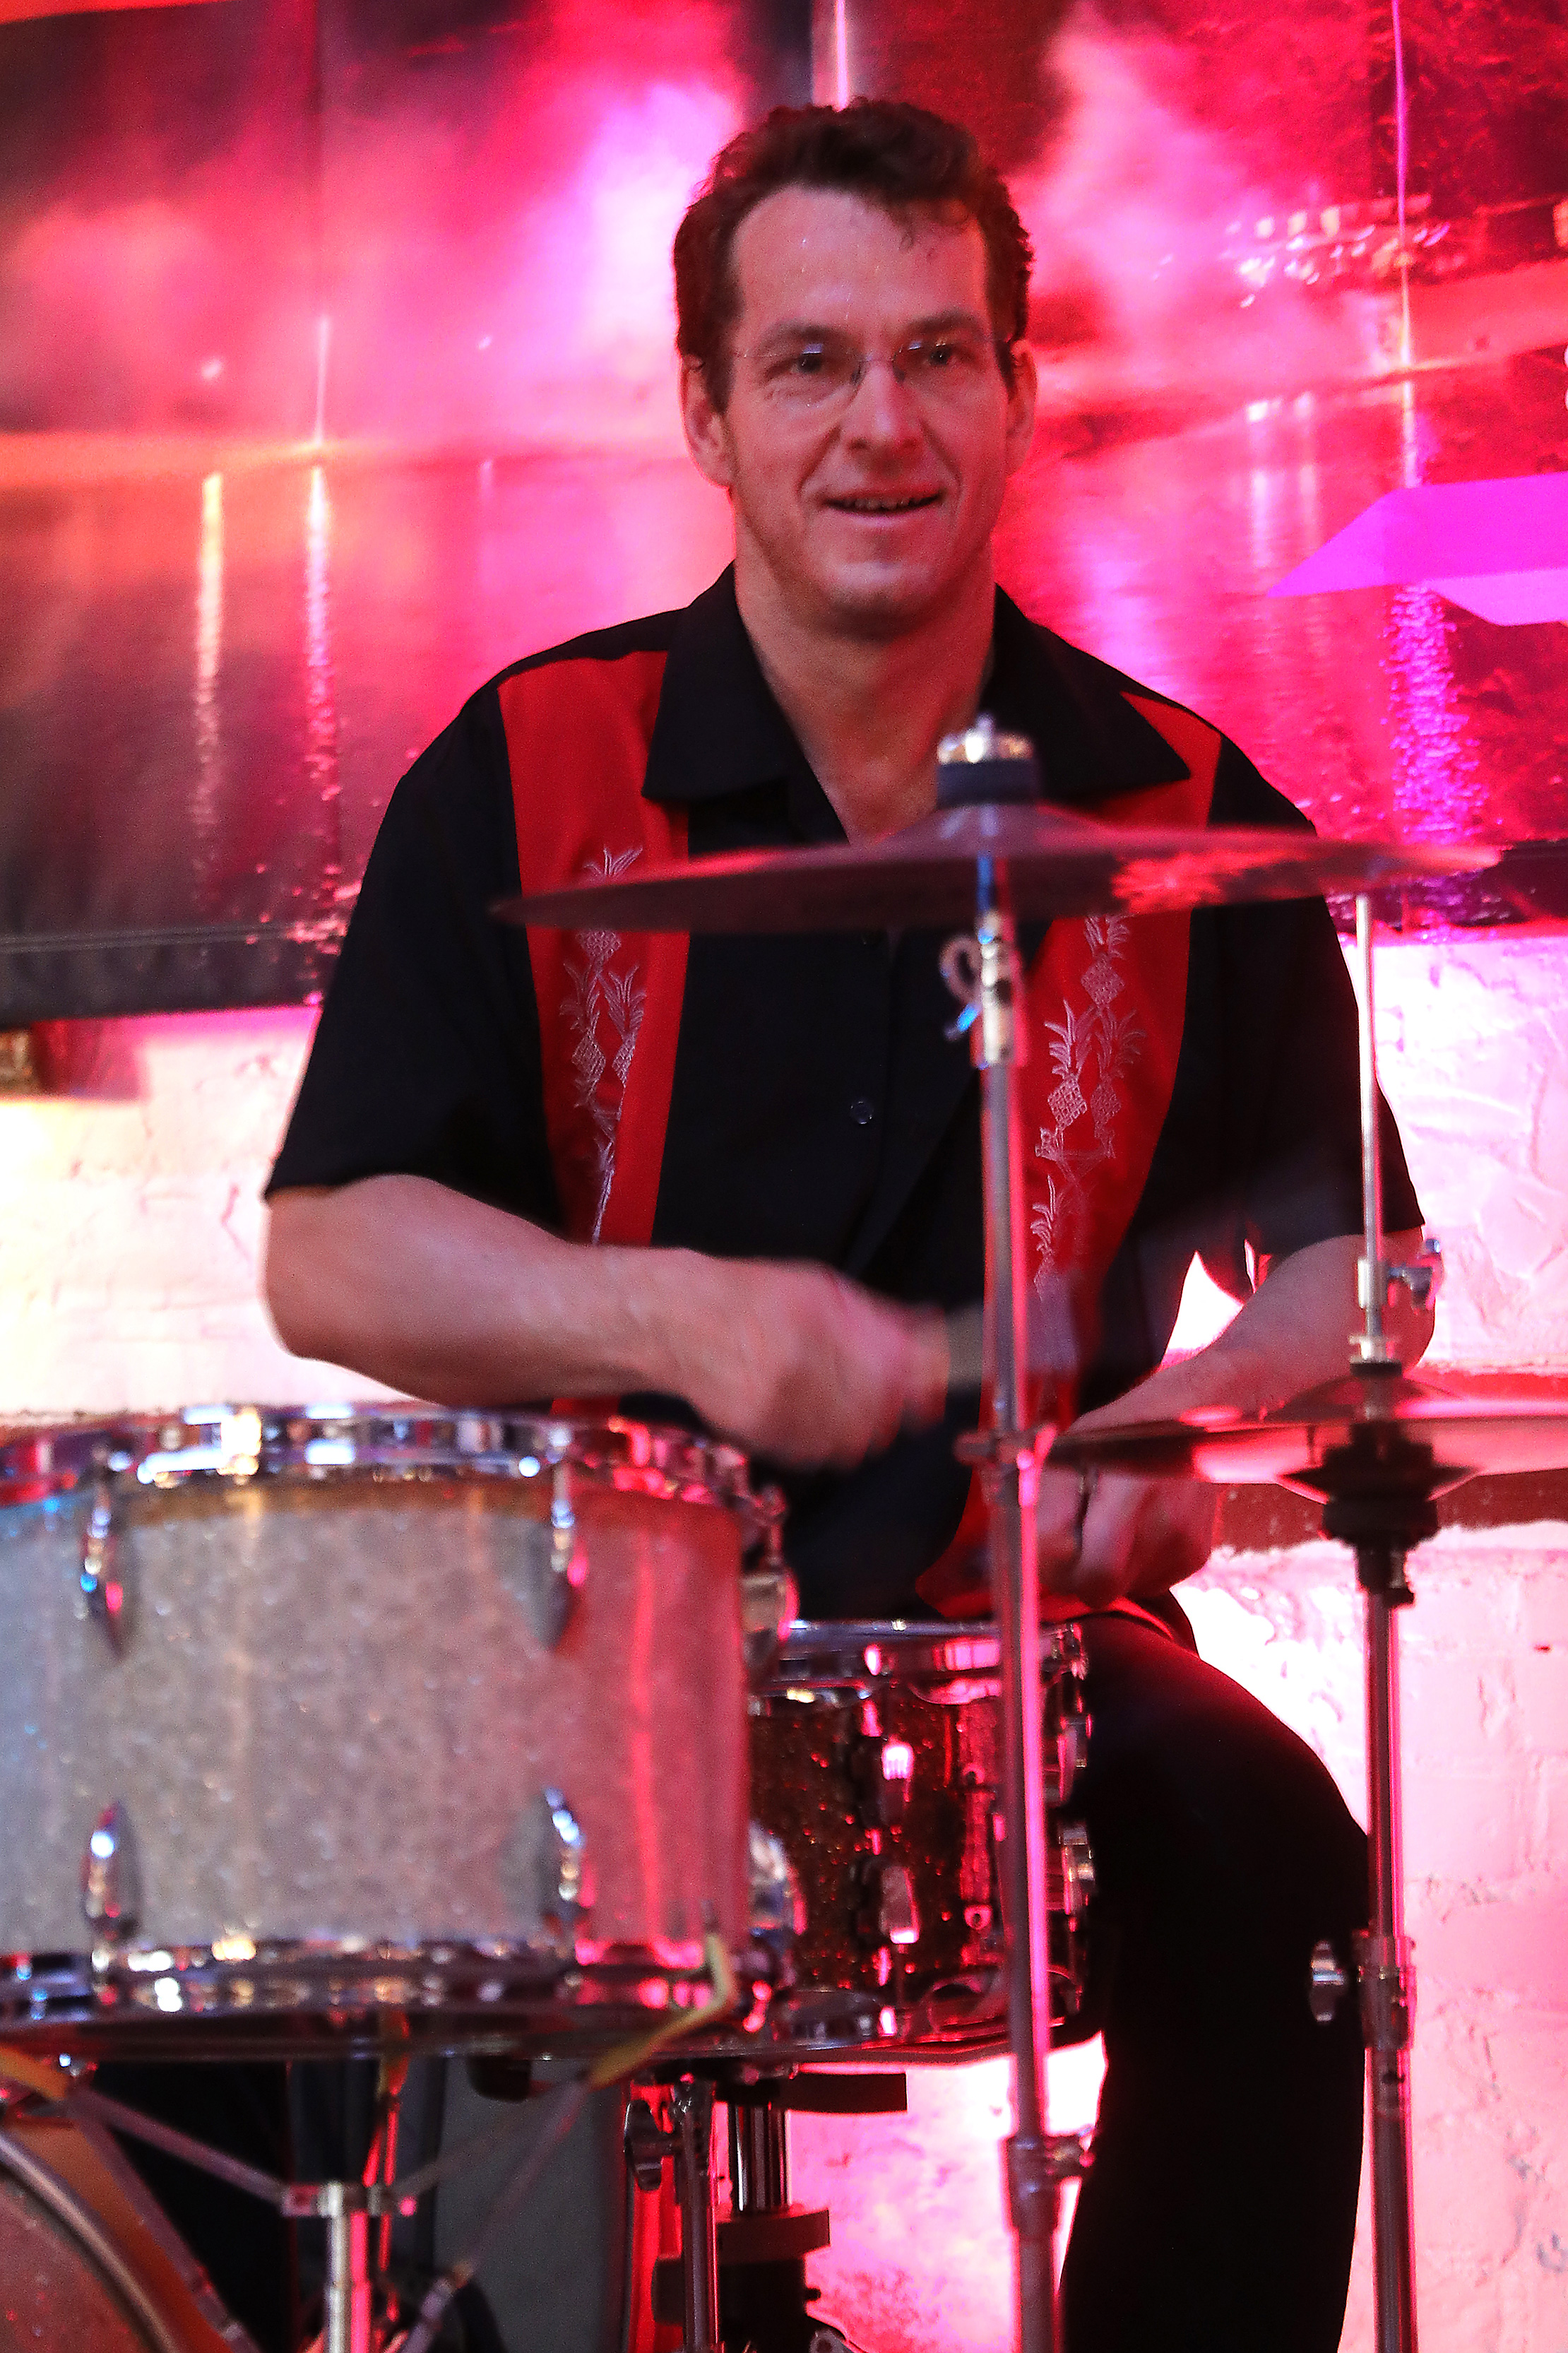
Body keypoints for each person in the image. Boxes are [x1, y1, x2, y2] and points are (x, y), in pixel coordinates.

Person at [263, 101, 1432, 2352]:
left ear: (1015, 393)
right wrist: (664, 1312)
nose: (877, 423)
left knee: (1280, 1858)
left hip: (1022, 1647)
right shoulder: (528, 767)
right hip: (588, 1641)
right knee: (284, 1938)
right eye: (807, 362)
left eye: (934, 354)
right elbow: (329, 1255)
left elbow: (1357, 1266)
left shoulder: (1176, 806)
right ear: (706, 413)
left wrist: (1179, 1420)